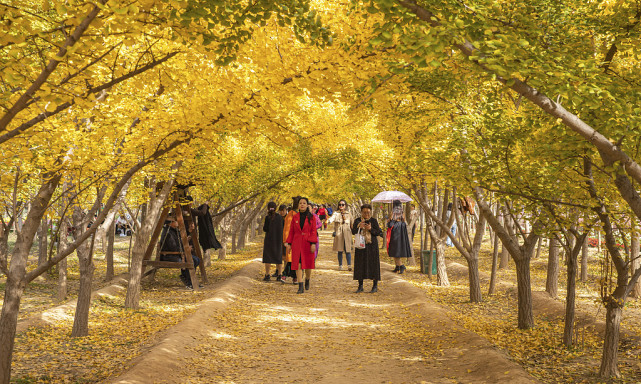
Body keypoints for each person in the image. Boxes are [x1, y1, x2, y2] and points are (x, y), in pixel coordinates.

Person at [286, 197, 318, 294]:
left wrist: (313, 243)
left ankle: (307, 279)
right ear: (298, 205)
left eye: (304, 203)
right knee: (298, 264)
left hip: (307, 243)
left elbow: (313, 231)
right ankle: (300, 285)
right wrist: (289, 243)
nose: (302, 205)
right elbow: (291, 231)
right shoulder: (295, 217)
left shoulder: (312, 217)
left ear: (307, 205)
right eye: (300, 203)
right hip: (297, 243)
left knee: (308, 265)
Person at [352, 204, 382, 293]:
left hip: (372, 246)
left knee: (374, 264)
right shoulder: (357, 220)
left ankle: (375, 285)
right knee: (360, 264)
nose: (366, 214)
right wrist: (359, 227)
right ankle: (360, 286)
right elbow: (353, 231)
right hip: (360, 246)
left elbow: (378, 233)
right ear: (361, 212)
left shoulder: (374, 221)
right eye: (364, 212)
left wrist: (370, 229)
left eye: (368, 212)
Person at [387, 200, 412, 274]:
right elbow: (404, 220)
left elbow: (391, 221)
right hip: (401, 231)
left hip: (395, 230)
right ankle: (397, 266)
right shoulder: (402, 212)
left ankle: (401, 266)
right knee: (397, 248)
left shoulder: (393, 212)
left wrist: (389, 219)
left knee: (395, 248)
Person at [328, 199, 354, 271]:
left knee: (347, 250)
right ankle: (340, 265)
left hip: (347, 234)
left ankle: (349, 265)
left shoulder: (349, 214)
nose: (341, 206)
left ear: (345, 205)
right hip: (339, 234)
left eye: (343, 204)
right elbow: (332, 218)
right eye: (340, 205)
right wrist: (329, 221)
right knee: (340, 250)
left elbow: (352, 224)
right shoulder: (336, 213)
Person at [262, 202, 284, 282]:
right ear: (276, 208)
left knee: (268, 257)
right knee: (278, 257)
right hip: (278, 240)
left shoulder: (268, 217)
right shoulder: (280, 218)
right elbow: (282, 228)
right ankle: (279, 275)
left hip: (269, 240)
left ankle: (267, 275)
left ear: (268, 208)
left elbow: (265, 229)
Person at [283, 197, 300, 284]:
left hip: (301, 241)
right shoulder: (291, 214)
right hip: (292, 241)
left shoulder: (302, 214)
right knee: (291, 260)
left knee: (296, 260)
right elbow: (287, 229)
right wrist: (286, 241)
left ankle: (293, 276)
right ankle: (287, 275)